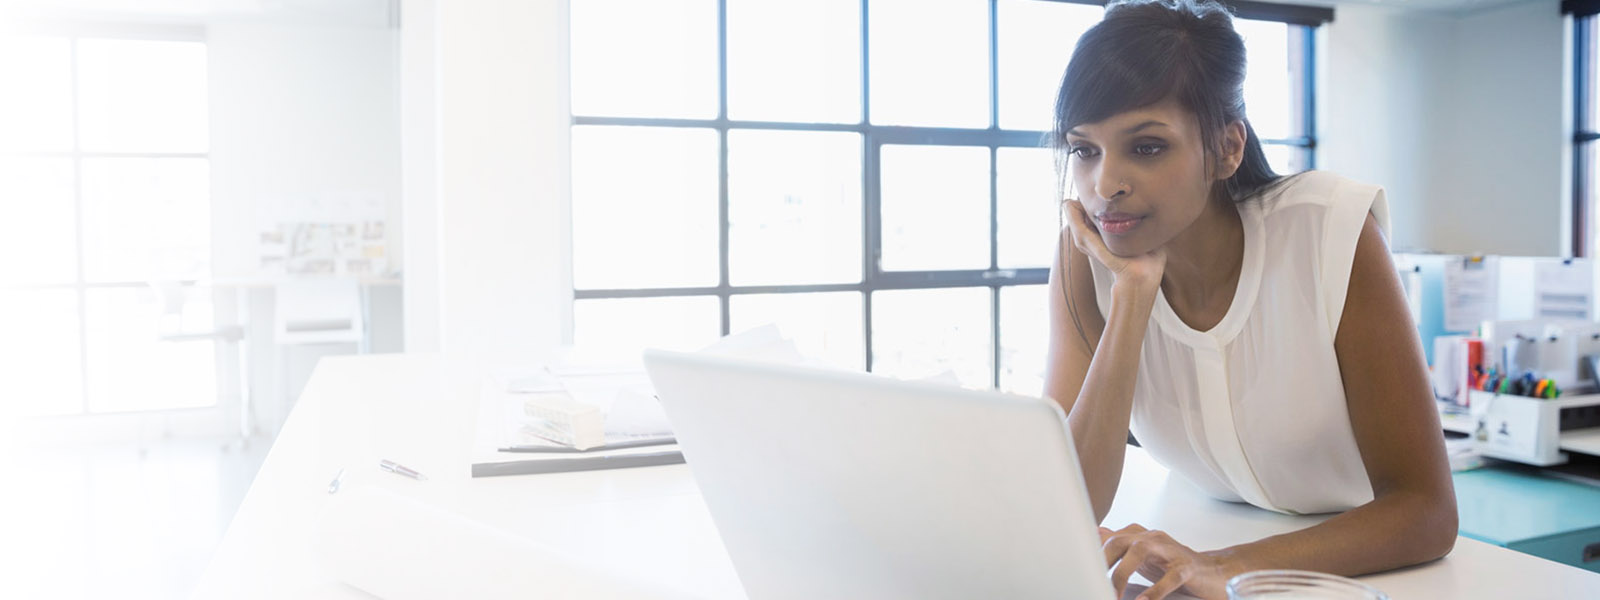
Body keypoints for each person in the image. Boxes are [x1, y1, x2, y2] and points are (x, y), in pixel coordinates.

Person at [1043, 1, 1457, 598]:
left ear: (1227, 148)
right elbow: (1069, 499)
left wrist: (1225, 565)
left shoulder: (1327, 230)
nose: (1106, 184)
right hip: (1194, 542)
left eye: (1148, 147)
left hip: (1363, 575)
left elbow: (1427, 510)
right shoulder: (1085, 262)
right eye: (1084, 150)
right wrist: (1134, 300)